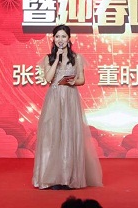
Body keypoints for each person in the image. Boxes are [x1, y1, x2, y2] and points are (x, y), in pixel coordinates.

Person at [32, 25, 103, 190]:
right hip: (54, 100)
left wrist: (73, 81)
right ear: (53, 39)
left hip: (70, 98)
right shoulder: (48, 58)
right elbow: (48, 79)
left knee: (69, 135)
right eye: (57, 36)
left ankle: (68, 177)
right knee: (53, 135)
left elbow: (82, 79)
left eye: (63, 36)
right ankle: (52, 177)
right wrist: (57, 58)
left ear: (69, 39)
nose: (60, 40)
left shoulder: (77, 58)